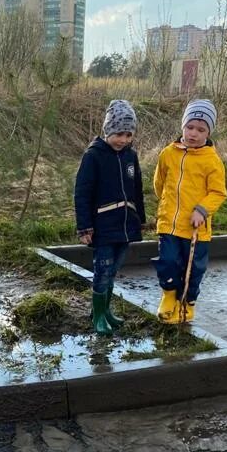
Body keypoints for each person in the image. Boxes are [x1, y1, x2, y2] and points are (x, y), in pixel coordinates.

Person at [74, 99, 146, 335]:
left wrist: (139, 219)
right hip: (103, 227)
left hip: (125, 226)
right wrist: (85, 227)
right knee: (102, 270)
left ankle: (105, 311)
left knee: (113, 270)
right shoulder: (93, 156)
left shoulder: (130, 156)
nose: (123, 139)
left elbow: (136, 189)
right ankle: (97, 316)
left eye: (128, 134)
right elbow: (82, 193)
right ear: (108, 130)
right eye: (119, 134)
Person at [152, 98, 226, 324]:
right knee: (169, 261)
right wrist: (166, 204)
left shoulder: (212, 161)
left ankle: (188, 303)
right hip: (169, 224)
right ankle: (168, 296)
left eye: (201, 130)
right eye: (190, 127)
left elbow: (218, 192)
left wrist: (202, 210)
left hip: (196, 228)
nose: (194, 133)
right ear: (183, 126)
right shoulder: (168, 153)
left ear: (208, 133)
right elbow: (159, 182)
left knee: (194, 269)